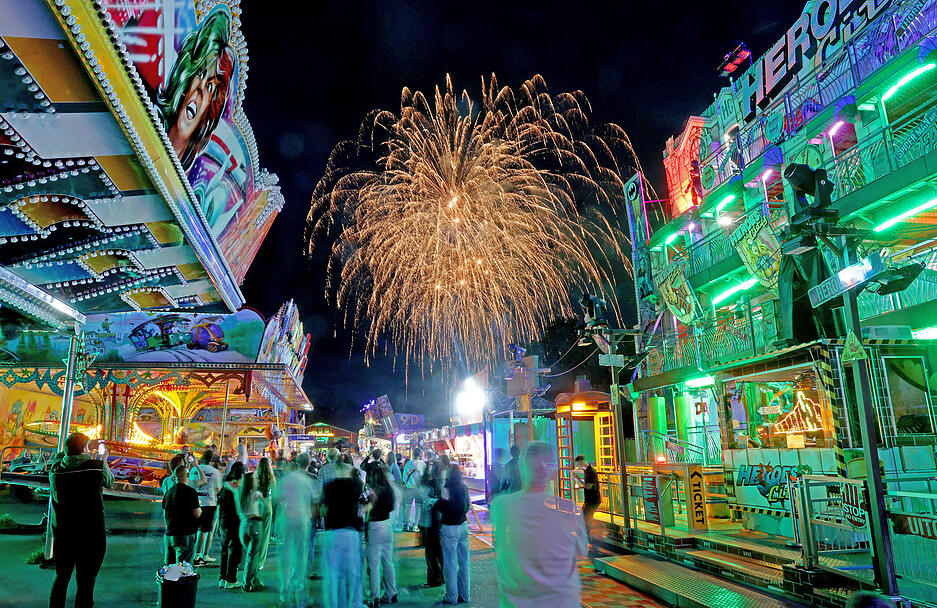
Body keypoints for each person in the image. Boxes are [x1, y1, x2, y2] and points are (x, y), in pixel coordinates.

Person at [491, 441, 587, 608]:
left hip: (517, 602)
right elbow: (582, 552)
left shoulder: (502, 505)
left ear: (521, 468)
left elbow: (499, 544)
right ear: (552, 472)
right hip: (563, 601)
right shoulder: (569, 509)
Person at [48, 433, 115, 608]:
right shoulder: (96, 467)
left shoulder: (55, 470)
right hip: (91, 535)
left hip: (64, 534)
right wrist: (104, 458)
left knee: (61, 578)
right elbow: (110, 482)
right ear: (85, 449)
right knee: (86, 582)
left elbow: (60, 457)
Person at [320, 458, 365, 608]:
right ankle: (355, 604)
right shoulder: (356, 485)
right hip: (351, 532)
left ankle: (333, 604)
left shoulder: (328, 486)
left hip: (333, 532)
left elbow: (321, 509)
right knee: (353, 574)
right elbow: (363, 504)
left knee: (333, 575)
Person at [275, 458, 315, 608]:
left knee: (285, 553)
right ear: (307, 464)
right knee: (301, 553)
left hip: (288, 518)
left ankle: (285, 588)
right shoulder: (306, 481)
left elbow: (278, 499)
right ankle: (299, 587)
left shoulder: (286, 480)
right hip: (303, 518)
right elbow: (313, 500)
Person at [434, 467, 471, 605]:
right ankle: (465, 594)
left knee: (450, 563)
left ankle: (452, 596)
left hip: (450, 528)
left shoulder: (446, 488)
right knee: (464, 562)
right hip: (463, 526)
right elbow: (467, 505)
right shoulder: (464, 488)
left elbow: (441, 506)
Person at [365, 465, 397, 607]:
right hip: (387, 525)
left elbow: (366, 507)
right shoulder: (389, 489)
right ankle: (391, 592)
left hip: (375, 526)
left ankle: (375, 597)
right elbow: (391, 507)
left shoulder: (373, 490)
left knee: (374, 564)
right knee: (387, 561)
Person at [162, 463, 202, 565]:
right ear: (187, 476)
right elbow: (197, 513)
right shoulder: (191, 492)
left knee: (169, 569)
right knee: (183, 569)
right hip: (184, 534)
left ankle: (169, 581)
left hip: (169, 535)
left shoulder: (169, 492)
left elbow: (165, 512)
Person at [236, 471, 266, 591]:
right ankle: (247, 583)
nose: (258, 481)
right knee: (253, 556)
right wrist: (261, 515)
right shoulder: (257, 494)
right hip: (255, 524)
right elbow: (266, 507)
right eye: (256, 479)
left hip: (243, 525)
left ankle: (254, 580)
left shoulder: (240, 494)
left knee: (250, 554)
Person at [192, 449, 222, 565]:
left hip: (194, 501)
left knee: (194, 530)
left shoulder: (194, 469)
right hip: (209, 503)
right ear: (211, 460)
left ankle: (194, 553)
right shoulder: (215, 472)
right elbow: (218, 490)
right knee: (204, 531)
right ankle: (199, 556)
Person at [420, 459, 445, 588]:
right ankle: (443, 576)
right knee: (440, 551)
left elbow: (421, 481)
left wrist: (426, 468)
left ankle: (434, 579)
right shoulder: (443, 482)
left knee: (430, 552)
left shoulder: (430, 482)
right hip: (441, 522)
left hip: (431, 522)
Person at [575, 455, 601, 550]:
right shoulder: (587, 470)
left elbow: (589, 486)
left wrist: (579, 485)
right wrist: (578, 479)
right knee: (585, 519)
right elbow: (587, 485)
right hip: (589, 500)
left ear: (582, 461)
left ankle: (585, 541)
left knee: (586, 519)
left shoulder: (591, 472)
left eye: (578, 463)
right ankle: (586, 541)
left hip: (593, 500)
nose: (578, 466)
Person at [256, 457, 276, 570]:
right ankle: (260, 562)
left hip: (257, 504)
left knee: (255, 533)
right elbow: (275, 492)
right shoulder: (271, 478)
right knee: (265, 535)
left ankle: (252, 558)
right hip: (267, 504)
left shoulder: (255, 477)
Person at [399, 447, 426, 531]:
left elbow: (404, 478)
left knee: (408, 506)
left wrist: (408, 483)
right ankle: (415, 525)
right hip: (419, 489)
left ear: (413, 454)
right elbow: (425, 477)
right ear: (420, 454)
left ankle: (406, 524)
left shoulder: (408, 464)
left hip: (409, 489)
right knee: (418, 507)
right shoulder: (423, 464)